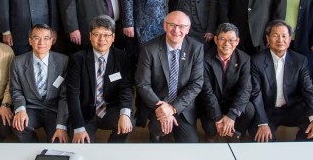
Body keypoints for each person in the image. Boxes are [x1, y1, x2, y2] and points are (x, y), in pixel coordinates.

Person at [136, 11, 204, 143]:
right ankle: (155, 133)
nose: (176, 30)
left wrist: (173, 108)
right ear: (164, 26)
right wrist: (163, 109)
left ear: (188, 29)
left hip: (182, 106)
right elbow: (143, 84)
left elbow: (196, 83)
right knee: (159, 129)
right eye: (172, 25)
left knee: (190, 144)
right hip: (158, 104)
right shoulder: (149, 49)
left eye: (182, 26)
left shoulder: (196, 48)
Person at [249, 21, 313, 142]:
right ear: (268, 38)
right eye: (275, 35)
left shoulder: (300, 60)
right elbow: (255, 94)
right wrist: (262, 123)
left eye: (284, 36)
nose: (280, 40)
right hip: (268, 110)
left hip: (292, 108)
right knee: (262, 141)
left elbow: (308, 90)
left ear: (289, 39)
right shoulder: (257, 61)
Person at [66, 16, 134, 143]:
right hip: (85, 112)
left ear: (113, 37)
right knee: (82, 144)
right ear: (90, 36)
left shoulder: (122, 57)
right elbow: (72, 94)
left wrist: (125, 113)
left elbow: (126, 88)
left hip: (110, 109)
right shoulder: (77, 59)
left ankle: (112, 150)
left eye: (106, 35)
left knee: (128, 123)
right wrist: (79, 127)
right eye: (97, 34)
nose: (102, 39)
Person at [10, 24, 70, 143]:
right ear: (30, 41)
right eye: (37, 38)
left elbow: (65, 96)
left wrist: (61, 126)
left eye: (46, 38)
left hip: (54, 109)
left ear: (52, 40)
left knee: (58, 140)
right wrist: (20, 109)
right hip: (31, 108)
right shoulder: (18, 62)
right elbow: (16, 90)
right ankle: (33, 147)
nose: (41, 42)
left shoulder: (64, 61)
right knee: (19, 126)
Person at [197, 23, 254, 142]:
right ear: (216, 40)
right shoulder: (205, 58)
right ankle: (214, 133)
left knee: (249, 109)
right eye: (222, 39)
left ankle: (234, 133)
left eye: (231, 40)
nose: (227, 44)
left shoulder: (244, 59)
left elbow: (245, 89)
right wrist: (218, 117)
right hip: (211, 103)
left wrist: (231, 116)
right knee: (211, 130)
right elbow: (206, 91)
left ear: (237, 41)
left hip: (231, 103)